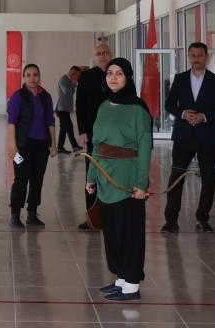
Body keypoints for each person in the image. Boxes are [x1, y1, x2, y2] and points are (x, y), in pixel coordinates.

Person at [85, 57, 152, 302]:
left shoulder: (138, 109)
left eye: (119, 73)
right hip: (105, 179)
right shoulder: (104, 106)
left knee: (129, 231)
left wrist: (141, 184)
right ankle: (122, 279)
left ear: (128, 77)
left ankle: (132, 285)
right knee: (113, 231)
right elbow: (96, 145)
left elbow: (145, 147)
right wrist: (91, 176)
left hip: (127, 180)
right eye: (109, 73)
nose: (113, 77)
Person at [162, 41, 215, 234]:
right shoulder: (180, 79)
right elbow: (169, 104)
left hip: (208, 137)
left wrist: (205, 116)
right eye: (193, 55)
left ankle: (203, 218)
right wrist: (183, 113)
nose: (196, 59)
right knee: (176, 177)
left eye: (200, 55)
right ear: (189, 57)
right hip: (183, 136)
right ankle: (170, 221)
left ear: (206, 57)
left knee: (208, 180)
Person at [7, 63, 56, 228]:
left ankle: (32, 214)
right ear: (23, 78)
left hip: (41, 146)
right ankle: (15, 215)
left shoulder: (46, 96)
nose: (32, 78)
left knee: (37, 180)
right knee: (21, 179)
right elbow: (12, 122)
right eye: (28, 75)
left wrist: (53, 143)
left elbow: (50, 121)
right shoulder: (18, 96)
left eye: (35, 75)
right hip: (22, 146)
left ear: (39, 77)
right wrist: (12, 145)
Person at [75, 41, 113, 229]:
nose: (103, 56)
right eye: (99, 54)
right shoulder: (87, 77)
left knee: (112, 175)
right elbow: (80, 104)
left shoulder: (119, 74)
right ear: (95, 58)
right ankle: (92, 218)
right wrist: (82, 131)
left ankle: (112, 216)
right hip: (93, 134)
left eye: (106, 52)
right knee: (92, 175)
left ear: (111, 55)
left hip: (116, 136)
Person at [56, 66, 81, 153]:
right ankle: (75, 146)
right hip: (61, 109)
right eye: (77, 75)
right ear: (73, 72)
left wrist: (73, 84)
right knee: (69, 127)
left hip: (65, 109)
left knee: (63, 129)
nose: (77, 77)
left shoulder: (69, 80)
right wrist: (73, 83)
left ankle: (60, 148)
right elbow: (66, 91)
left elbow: (72, 92)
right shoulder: (63, 79)